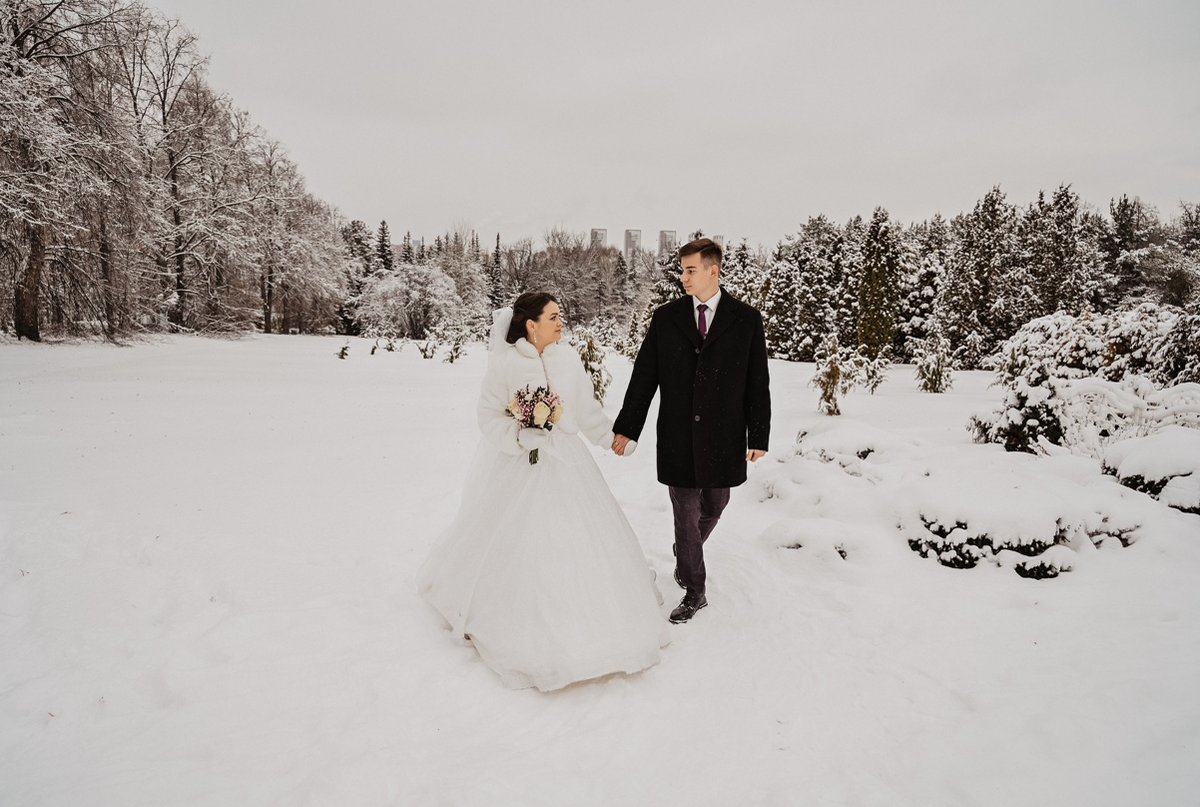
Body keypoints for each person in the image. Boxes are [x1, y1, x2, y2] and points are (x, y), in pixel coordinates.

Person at [418, 292, 667, 691]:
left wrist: (610, 438)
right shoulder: (505, 364)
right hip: (519, 466)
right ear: (531, 324)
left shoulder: (568, 359)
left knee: (578, 538)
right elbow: (487, 416)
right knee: (522, 541)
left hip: (568, 462)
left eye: (559, 315)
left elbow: (586, 409)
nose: (560, 321)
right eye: (553, 316)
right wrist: (519, 435)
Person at [612, 237, 771, 624]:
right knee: (685, 513)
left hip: (724, 436)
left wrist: (758, 435)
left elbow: (757, 382)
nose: (682, 277)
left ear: (713, 271)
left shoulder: (746, 319)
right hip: (678, 436)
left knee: (715, 505)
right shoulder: (666, 318)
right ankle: (694, 590)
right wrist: (628, 427)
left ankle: (686, 553)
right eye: (682, 270)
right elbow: (644, 376)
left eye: (690, 270)